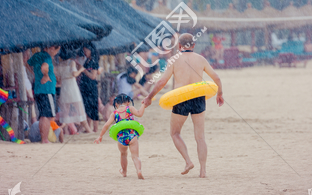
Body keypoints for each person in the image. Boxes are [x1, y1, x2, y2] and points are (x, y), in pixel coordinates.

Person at [142, 33, 224, 178]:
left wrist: (149, 97)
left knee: (175, 133)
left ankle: (188, 161)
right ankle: (203, 170)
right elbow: (216, 77)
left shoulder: (174, 60)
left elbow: (161, 82)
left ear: (179, 46)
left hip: (181, 98)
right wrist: (220, 94)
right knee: (200, 137)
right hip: (198, 97)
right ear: (193, 45)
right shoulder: (201, 59)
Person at [94, 94, 147, 179]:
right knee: (135, 156)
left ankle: (124, 172)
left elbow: (106, 125)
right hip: (132, 135)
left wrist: (100, 136)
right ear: (128, 102)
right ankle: (139, 170)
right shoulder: (130, 108)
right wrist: (143, 105)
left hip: (121, 138)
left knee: (123, 154)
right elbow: (140, 114)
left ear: (116, 104)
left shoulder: (114, 113)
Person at [28, 46, 61, 143]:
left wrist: (36, 74)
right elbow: (44, 67)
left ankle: (44, 138)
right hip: (47, 90)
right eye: (56, 50)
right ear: (51, 48)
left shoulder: (36, 55)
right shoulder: (47, 56)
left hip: (38, 90)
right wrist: (46, 76)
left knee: (43, 115)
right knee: (48, 116)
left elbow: (28, 63)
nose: (56, 53)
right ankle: (45, 139)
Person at [54, 52, 92, 134]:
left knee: (65, 111)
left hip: (64, 87)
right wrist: (81, 70)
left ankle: (66, 131)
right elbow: (74, 74)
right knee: (79, 109)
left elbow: (58, 78)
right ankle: (88, 129)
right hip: (72, 86)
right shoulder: (71, 62)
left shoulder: (60, 64)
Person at [78, 44, 100, 132]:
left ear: (91, 51)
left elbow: (93, 76)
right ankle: (89, 127)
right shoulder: (87, 61)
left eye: (86, 51)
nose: (85, 53)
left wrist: (84, 70)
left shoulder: (94, 62)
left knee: (94, 107)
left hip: (91, 87)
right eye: (84, 51)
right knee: (87, 107)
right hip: (85, 86)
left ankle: (95, 129)